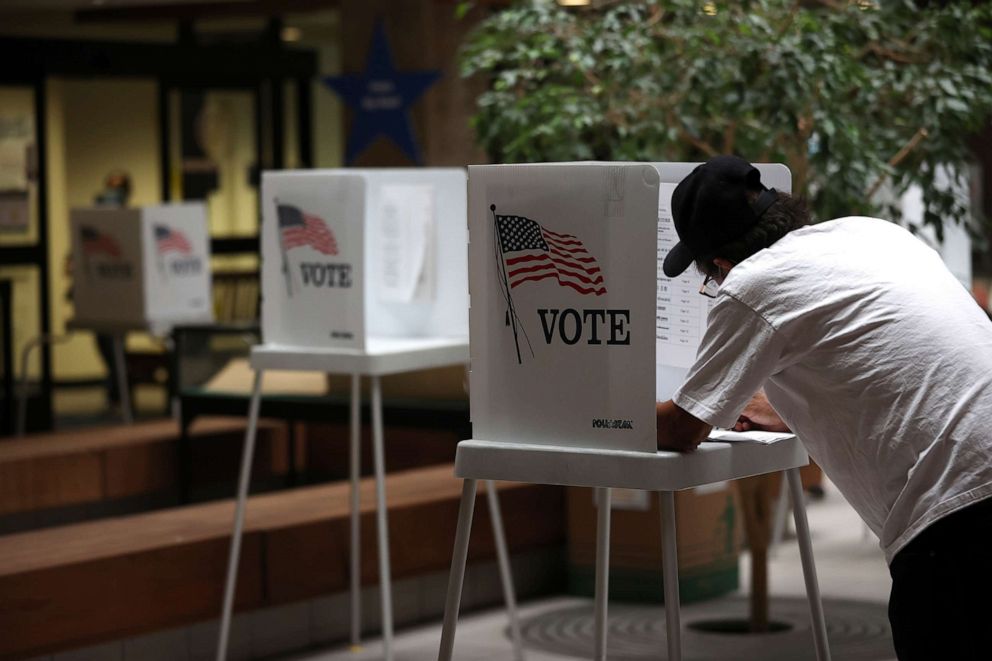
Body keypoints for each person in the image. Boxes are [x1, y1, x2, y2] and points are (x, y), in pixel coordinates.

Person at [655, 155, 992, 661]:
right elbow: (891, 358)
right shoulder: (872, 233)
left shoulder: (752, 285)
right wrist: (784, 408)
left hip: (956, 514)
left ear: (719, 264)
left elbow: (682, 430)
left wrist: (597, 412)